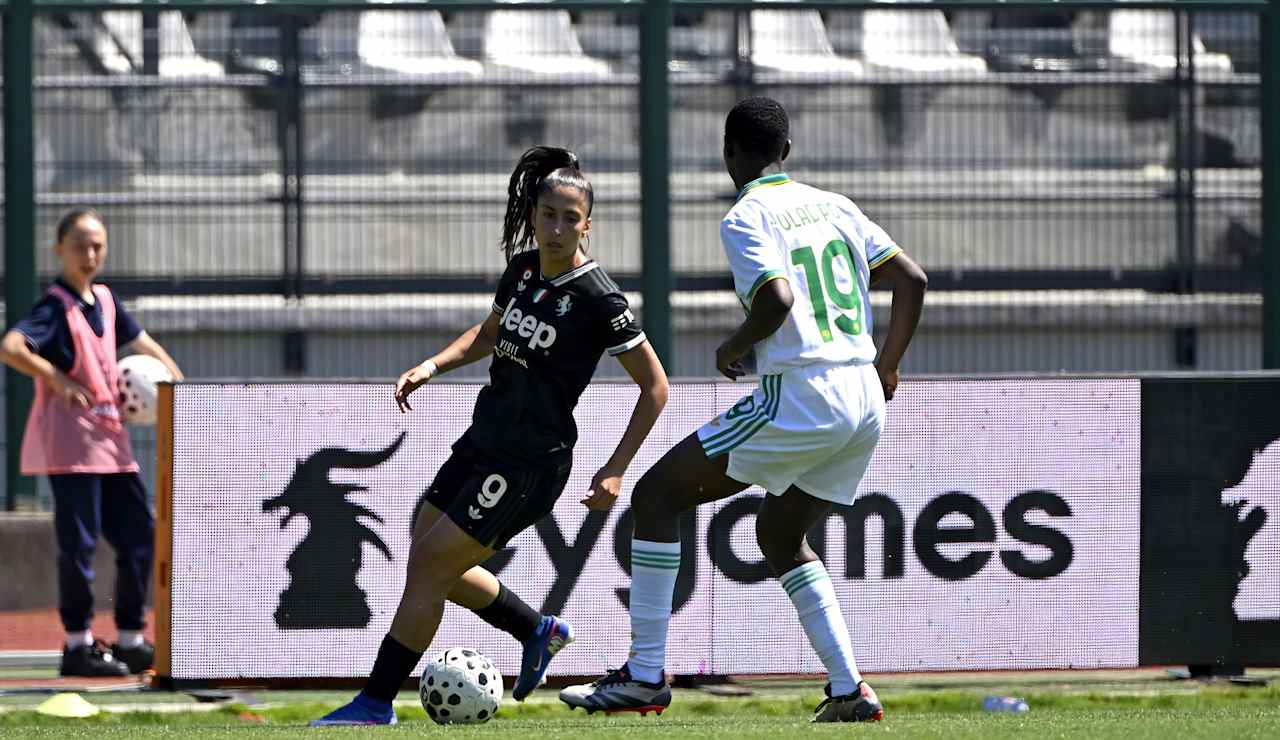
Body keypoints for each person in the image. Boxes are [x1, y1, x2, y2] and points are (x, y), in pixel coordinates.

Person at [559, 97, 928, 723]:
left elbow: (777, 299)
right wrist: (887, 365)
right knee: (780, 535)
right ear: (786, 151)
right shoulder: (835, 205)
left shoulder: (746, 216)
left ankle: (644, 676)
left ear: (729, 151)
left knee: (655, 497)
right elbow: (912, 280)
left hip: (804, 392)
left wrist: (735, 344)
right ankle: (849, 690)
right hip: (864, 398)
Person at [312, 146, 669, 726]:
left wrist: (615, 468)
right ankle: (536, 629)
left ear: (588, 224)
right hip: (483, 440)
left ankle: (374, 704)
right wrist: (432, 366)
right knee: (424, 548)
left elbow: (655, 386)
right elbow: (488, 334)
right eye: (548, 213)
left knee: (429, 567)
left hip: (529, 463)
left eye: (569, 218)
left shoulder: (598, 298)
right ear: (534, 212)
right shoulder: (524, 269)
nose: (556, 227)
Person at [0, 209, 184, 677]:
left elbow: (142, 343)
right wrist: (56, 379)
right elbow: (12, 347)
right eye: (81, 244)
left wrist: (175, 380)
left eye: (98, 245)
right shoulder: (53, 307)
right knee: (78, 547)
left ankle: (129, 638)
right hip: (73, 450)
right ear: (59, 248)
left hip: (113, 447)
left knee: (140, 538)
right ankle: (77, 644)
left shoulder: (105, 300)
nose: (91, 254)